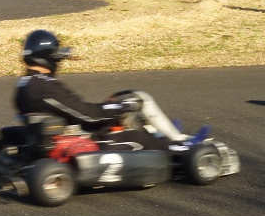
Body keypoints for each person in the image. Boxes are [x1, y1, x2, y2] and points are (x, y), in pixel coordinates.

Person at [14, 29, 210, 151]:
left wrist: (113, 108)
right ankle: (180, 145)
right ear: (49, 57)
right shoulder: (45, 86)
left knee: (124, 110)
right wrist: (122, 107)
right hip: (84, 138)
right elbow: (88, 115)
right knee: (139, 102)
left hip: (57, 133)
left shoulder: (25, 83)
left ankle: (164, 133)